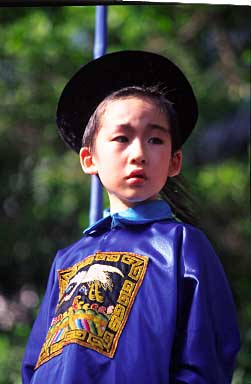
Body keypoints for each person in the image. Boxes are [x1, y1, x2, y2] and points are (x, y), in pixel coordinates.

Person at [22, 50, 240, 384]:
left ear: (174, 161)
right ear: (89, 158)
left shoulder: (182, 245)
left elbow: (206, 359)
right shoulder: (66, 260)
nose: (138, 153)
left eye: (155, 139)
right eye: (122, 138)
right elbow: (35, 364)